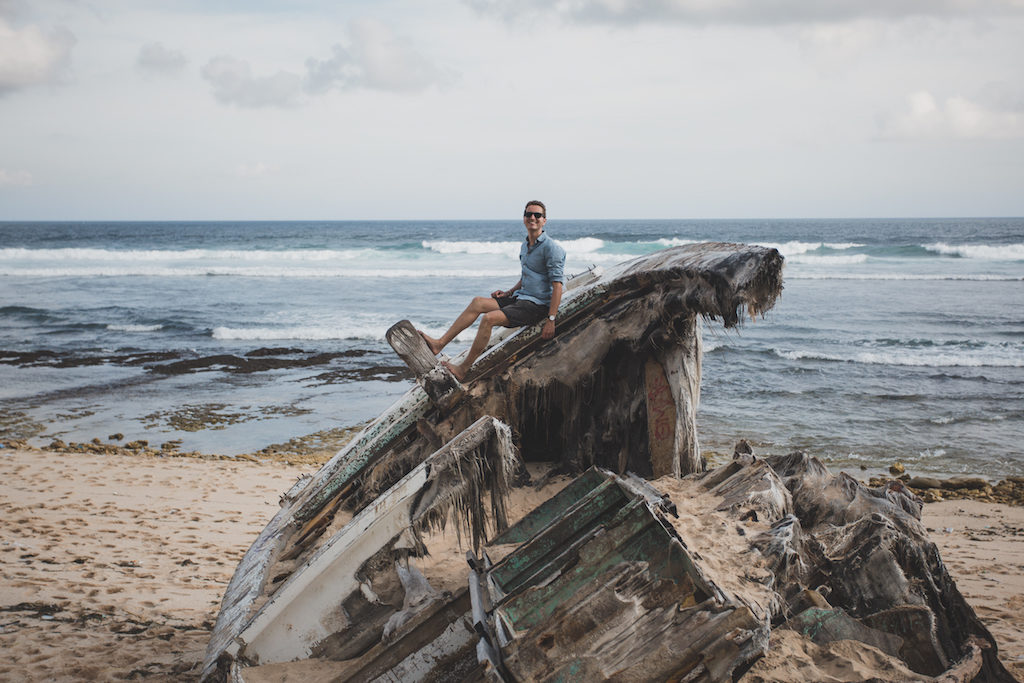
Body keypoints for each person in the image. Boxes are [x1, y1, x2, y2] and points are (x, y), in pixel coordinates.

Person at [420, 200, 566, 381]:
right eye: (529, 214)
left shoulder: (552, 248)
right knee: (478, 302)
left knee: (489, 319)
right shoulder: (525, 245)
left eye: (537, 215)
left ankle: (463, 368)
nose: (533, 218)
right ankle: (439, 344)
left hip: (537, 305)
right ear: (524, 219)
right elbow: (528, 276)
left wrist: (551, 320)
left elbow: (557, 285)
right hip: (521, 298)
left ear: (544, 221)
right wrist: (509, 292)